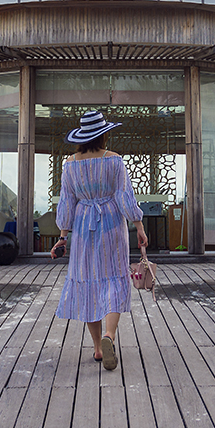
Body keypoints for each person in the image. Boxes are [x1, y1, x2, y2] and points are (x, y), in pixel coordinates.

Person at [52, 110, 148, 371]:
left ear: (82, 137)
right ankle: (109, 336)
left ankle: (96, 349)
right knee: (114, 279)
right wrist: (138, 225)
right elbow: (125, 197)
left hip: (84, 226)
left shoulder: (70, 164)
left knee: (88, 283)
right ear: (104, 134)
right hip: (111, 225)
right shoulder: (114, 160)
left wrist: (62, 236)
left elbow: (66, 204)